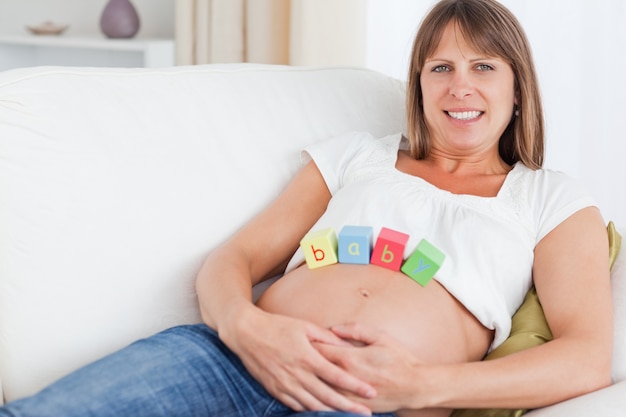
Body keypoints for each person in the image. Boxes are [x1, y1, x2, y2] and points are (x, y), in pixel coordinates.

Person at [0, 0, 613, 416]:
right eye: (441, 67)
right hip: (234, 357)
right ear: (419, 82)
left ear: (516, 86)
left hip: (367, 398)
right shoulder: (357, 156)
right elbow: (234, 258)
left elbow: (585, 357)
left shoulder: (551, 199)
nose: (460, 86)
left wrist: (425, 385)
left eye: (484, 67)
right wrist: (247, 327)